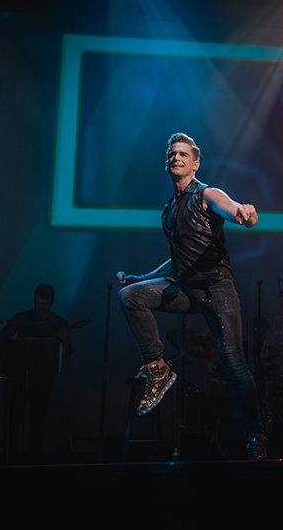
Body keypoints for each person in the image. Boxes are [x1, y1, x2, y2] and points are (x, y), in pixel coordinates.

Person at [115, 133, 268, 459]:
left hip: (216, 290)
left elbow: (232, 208)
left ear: (195, 163)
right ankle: (157, 367)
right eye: (172, 154)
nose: (177, 158)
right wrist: (143, 278)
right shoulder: (169, 209)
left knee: (233, 364)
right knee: (131, 295)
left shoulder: (207, 194)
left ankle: (256, 434)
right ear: (167, 162)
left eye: (183, 154)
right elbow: (179, 259)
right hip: (184, 289)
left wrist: (246, 214)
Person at [0, 284, 75, 457]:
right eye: (38, 303)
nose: (40, 307)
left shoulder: (59, 323)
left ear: (52, 301)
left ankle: (33, 459)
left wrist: (67, 342)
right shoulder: (22, 317)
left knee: (37, 419)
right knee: (14, 418)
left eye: (45, 304)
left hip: (43, 378)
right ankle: (10, 457)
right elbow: (2, 338)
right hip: (18, 376)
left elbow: (67, 353)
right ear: (34, 299)